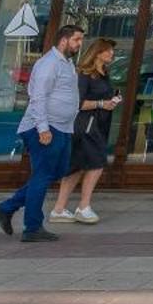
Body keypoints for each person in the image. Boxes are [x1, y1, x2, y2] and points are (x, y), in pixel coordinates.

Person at [0, 24, 83, 243]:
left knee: (58, 171)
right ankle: (32, 227)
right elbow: (38, 97)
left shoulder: (67, 63)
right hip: (44, 127)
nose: (79, 44)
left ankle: (7, 207)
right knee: (42, 175)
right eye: (77, 40)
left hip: (61, 127)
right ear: (64, 40)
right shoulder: (49, 64)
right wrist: (43, 128)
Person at [50, 37, 120, 225]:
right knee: (96, 163)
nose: (111, 54)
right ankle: (83, 206)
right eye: (108, 50)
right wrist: (101, 103)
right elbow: (77, 102)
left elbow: (102, 99)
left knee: (78, 166)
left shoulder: (104, 74)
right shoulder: (83, 74)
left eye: (112, 51)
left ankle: (59, 208)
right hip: (85, 126)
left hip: (98, 124)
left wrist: (111, 101)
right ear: (97, 52)